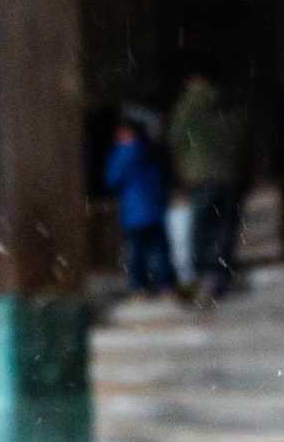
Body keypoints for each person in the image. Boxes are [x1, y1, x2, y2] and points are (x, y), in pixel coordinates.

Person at [168, 72, 251, 303]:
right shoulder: (228, 105)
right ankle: (220, 273)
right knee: (225, 226)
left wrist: (182, 171)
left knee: (200, 227)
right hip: (229, 176)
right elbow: (241, 138)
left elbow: (175, 139)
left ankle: (201, 273)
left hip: (200, 177)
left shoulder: (187, 108)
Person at [105, 117, 173, 297]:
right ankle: (165, 284)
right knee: (159, 250)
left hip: (134, 211)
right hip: (154, 208)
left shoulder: (123, 153)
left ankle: (139, 287)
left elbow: (112, 179)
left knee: (136, 252)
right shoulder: (151, 150)